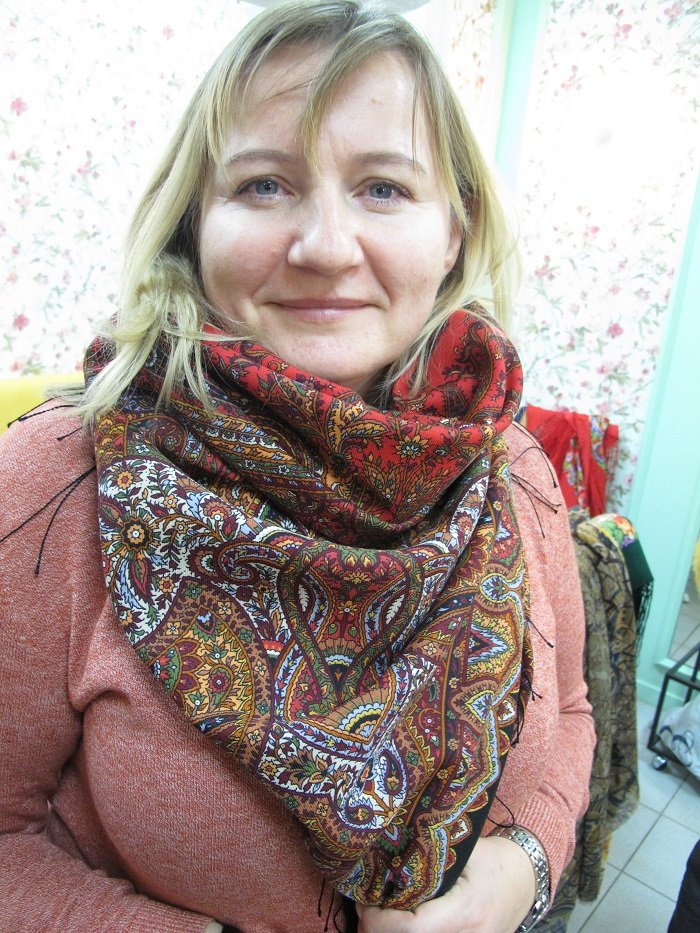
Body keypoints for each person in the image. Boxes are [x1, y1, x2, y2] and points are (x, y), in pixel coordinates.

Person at [0, 2, 594, 931]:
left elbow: (572, 712)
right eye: (265, 184)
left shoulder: (511, 466)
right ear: (195, 221)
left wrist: (512, 880)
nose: (324, 247)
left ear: (454, 230)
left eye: (383, 188)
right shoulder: (59, 478)